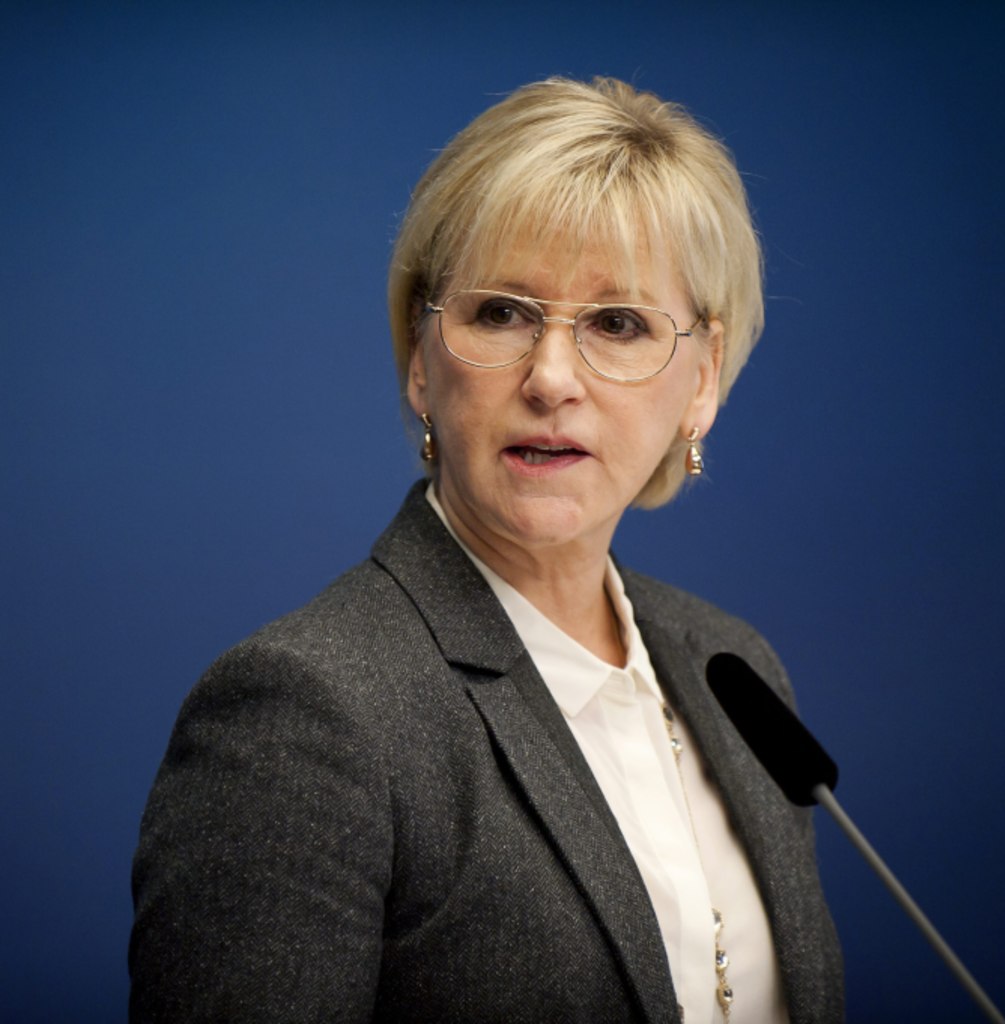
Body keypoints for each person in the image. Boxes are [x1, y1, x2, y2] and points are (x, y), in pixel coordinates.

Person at [129, 76, 843, 1023]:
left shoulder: (733, 671)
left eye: (618, 324)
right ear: (422, 356)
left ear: (703, 378)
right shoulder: (306, 718)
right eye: (501, 313)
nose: (551, 378)